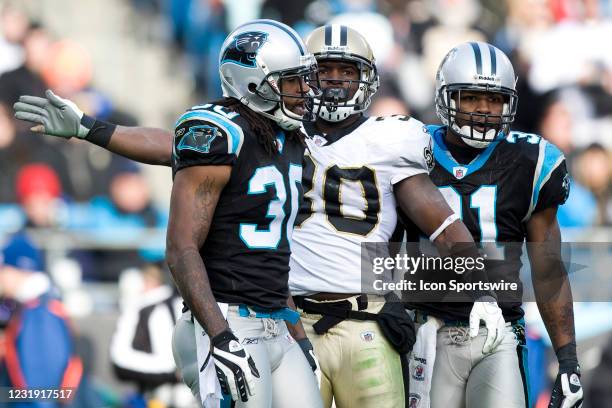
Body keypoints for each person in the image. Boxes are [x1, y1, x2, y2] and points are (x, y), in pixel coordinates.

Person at [14, 23, 506, 408]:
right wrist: (91, 129)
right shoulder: (230, 131)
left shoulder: (298, 138)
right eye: (300, 80)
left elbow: (440, 220)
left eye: (320, 78)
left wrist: (479, 285)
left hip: (299, 320)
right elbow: (177, 171)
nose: (315, 91)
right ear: (257, 83)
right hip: (237, 317)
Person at [20, 19, 324, 408]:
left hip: (276, 319)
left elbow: (170, 147)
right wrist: (220, 337)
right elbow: (180, 249)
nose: (304, 91)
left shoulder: (285, 139)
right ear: (252, 82)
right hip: (228, 318)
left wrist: (298, 335)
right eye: (292, 81)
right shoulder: (218, 133)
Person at [399, 42, 582, 408]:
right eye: (470, 97)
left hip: (497, 331)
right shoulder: (407, 148)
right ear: (446, 97)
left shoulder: (530, 161)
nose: (484, 109)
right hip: (425, 330)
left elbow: (549, 270)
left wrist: (568, 360)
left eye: (495, 100)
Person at [0, 233, 83, 406]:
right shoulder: (33, 306)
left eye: (2, 269)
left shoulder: (39, 312)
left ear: (18, 270)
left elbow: (42, 390)